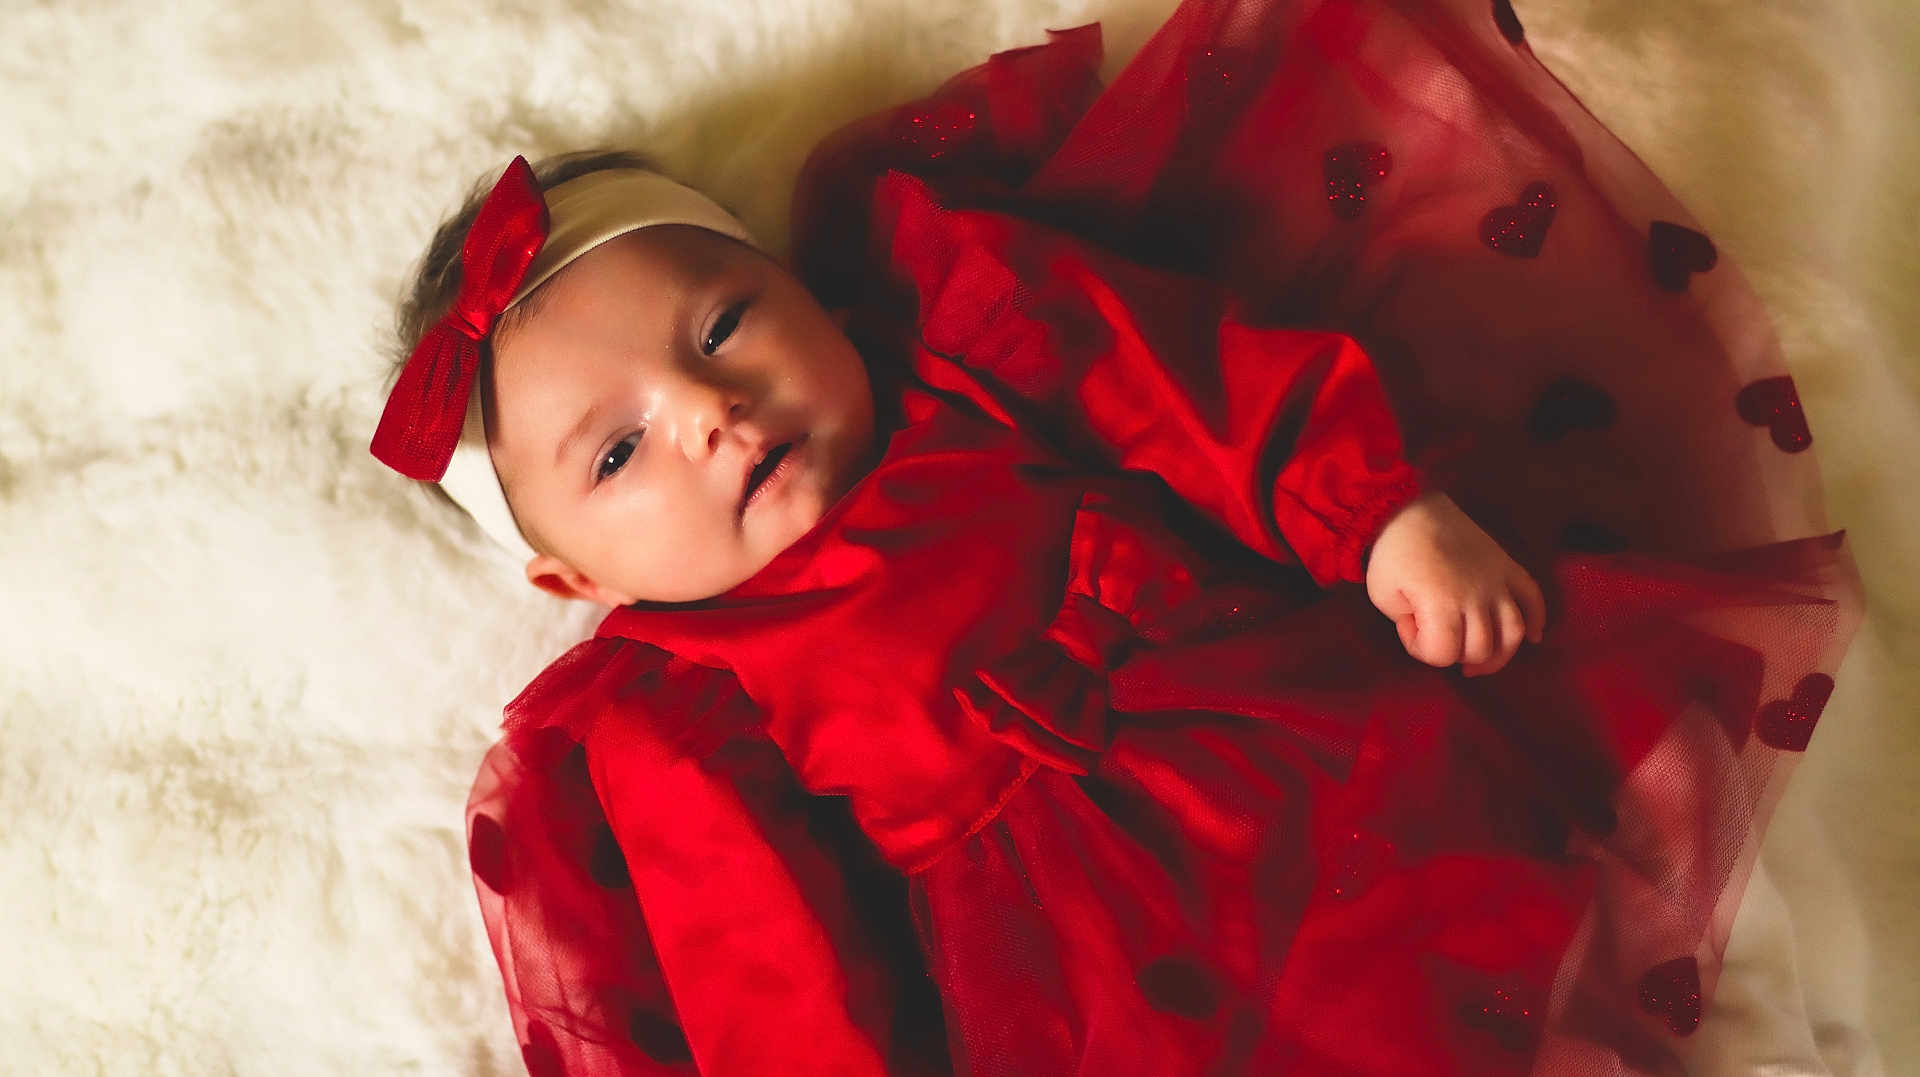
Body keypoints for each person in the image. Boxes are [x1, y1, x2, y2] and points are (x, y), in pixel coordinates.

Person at [371, 0, 1865, 1072]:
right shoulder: (679, 711)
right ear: (576, 576)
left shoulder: (959, 327)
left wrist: (1379, 515)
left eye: (724, 321)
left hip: (1333, 764)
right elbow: (777, 975)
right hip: (1083, 992)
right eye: (619, 451)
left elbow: (1191, 377)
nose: (708, 408)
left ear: (801, 288)